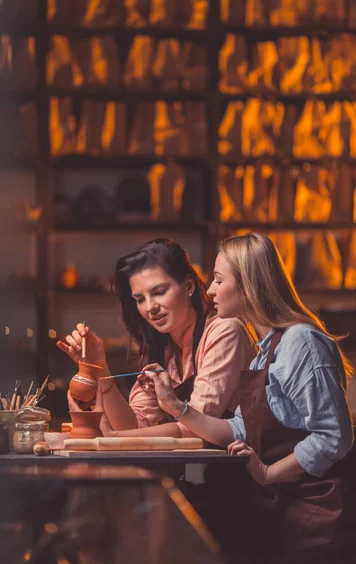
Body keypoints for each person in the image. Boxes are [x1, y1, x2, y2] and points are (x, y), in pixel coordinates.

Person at [141, 233, 355, 563]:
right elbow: (237, 429)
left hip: (318, 512)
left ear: (249, 285)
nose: (209, 290)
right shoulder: (265, 351)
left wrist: (269, 474)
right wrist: (176, 407)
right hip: (284, 507)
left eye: (218, 279)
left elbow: (333, 437)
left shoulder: (302, 342)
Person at [57, 238, 255, 439]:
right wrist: (99, 367)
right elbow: (134, 425)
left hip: (241, 466)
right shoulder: (164, 348)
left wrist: (114, 437)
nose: (150, 307)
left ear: (188, 286)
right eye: (140, 300)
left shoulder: (223, 332)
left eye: (159, 292)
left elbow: (196, 429)